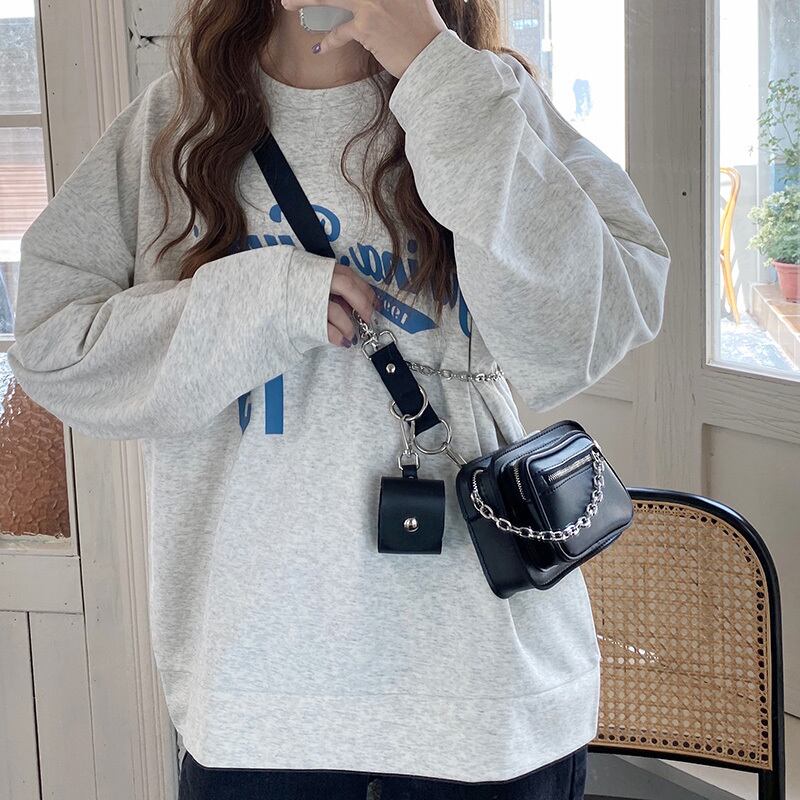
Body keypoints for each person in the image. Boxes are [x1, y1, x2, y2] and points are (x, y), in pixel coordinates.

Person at [7, 0, 670, 797]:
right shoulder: (179, 122)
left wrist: (434, 72)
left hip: (484, 701)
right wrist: (266, 301)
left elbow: (583, 334)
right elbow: (52, 345)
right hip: (261, 704)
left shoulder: (484, 93)